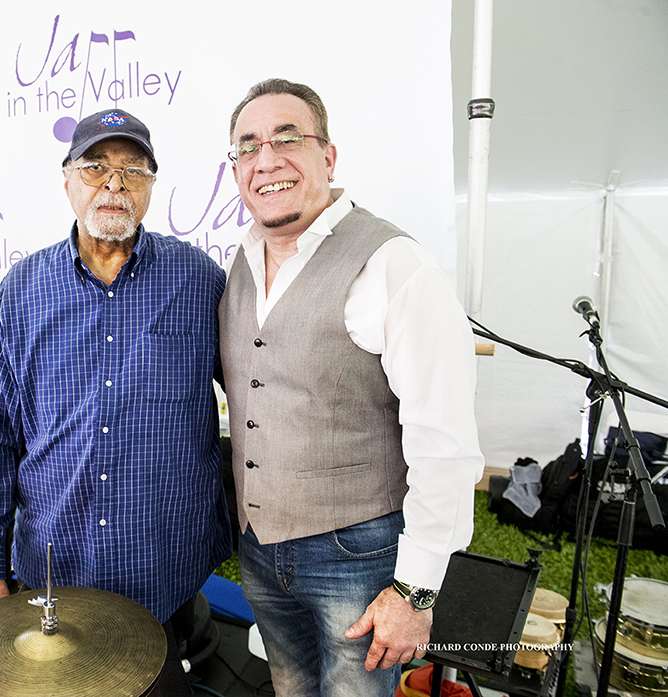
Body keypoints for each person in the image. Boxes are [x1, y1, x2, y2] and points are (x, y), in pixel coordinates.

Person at [218, 78, 484, 696]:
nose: (267, 160)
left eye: (288, 139)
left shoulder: (396, 265)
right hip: (260, 552)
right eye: (247, 146)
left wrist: (416, 591)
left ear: (328, 156)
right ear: (235, 168)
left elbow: (445, 441)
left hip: (358, 558)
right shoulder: (236, 263)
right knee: (289, 687)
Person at [0, 109, 231, 695]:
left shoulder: (199, 281)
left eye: (135, 170)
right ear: (67, 180)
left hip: (166, 569)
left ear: (152, 186)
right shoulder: (21, 291)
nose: (114, 183)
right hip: (53, 569)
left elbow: (262, 397)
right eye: (96, 166)